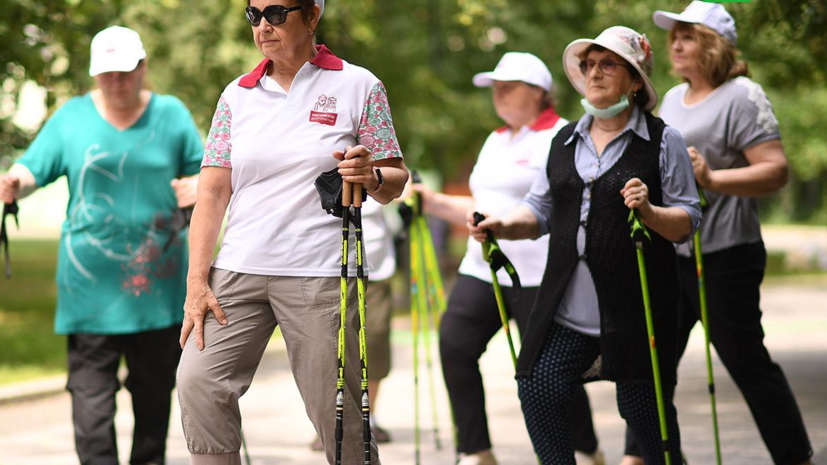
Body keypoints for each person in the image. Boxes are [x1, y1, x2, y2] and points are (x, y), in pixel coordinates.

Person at [174, 0, 408, 464]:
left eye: (277, 13)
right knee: (198, 381)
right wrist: (196, 281)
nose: (264, 25)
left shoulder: (358, 84)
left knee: (334, 412)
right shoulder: (236, 94)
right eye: (254, 14)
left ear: (312, 16)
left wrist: (371, 177)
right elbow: (214, 192)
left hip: (319, 272)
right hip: (237, 269)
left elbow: (395, 179)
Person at [469, 27, 702, 464]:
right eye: (589, 64)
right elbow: (538, 210)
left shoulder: (660, 139)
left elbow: (687, 220)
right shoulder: (564, 140)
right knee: (538, 383)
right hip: (567, 309)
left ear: (635, 80)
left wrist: (650, 212)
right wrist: (501, 224)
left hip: (637, 308)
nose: (594, 73)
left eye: (608, 64)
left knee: (645, 415)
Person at [0, 25, 203, 465]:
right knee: (91, 409)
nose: (117, 81)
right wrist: (15, 181)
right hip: (89, 289)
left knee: (153, 403)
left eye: (126, 70)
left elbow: (209, 174)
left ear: (143, 67)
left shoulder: (171, 115)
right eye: (107, 72)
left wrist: (198, 186)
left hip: (158, 287)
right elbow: (34, 167)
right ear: (95, 74)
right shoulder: (72, 117)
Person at [622, 3, 814, 464]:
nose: (677, 45)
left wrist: (712, 179)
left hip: (726, 254)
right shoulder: (668, 99)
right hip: (675, 250)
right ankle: (646, 456)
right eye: (674, 38)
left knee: (745, 361)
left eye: (688, 36)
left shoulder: (742, 95)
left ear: (714, 44)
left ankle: (795, 455)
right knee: (654, 362)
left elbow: (776, 171)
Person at [412, 52, 603, 465]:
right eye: (494, 86)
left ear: (539, 92)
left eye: (508, 86)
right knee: (455, 346)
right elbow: (481, 205)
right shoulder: (495, 139)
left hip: (541, 275)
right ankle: (476, 451)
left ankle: (586, 449)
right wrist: (430, 201)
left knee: (551, 373)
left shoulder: (565, 136)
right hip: (482, 268)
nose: (497, 93)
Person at [310, 199, 397, 450]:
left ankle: (369, 417)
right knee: (329, 345)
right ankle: (330, 419)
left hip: (377, 270)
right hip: (329, 270)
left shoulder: (382, 160)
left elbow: (400, 186)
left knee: (374, 341)